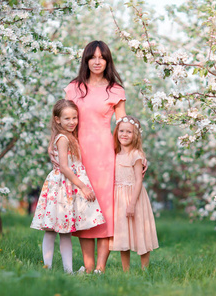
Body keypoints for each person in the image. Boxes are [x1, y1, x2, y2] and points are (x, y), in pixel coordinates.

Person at [64, 40, 126, 273]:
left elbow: (123, 126)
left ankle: (100, 268)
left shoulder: (115, 90)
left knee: (105, 210)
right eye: (93, 57)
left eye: (102, 57)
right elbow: (63, 120)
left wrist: (135, 154)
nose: (97, 61)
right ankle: (88, 266)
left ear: (107, 60)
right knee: (84, 209)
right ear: (86, 60)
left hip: (106, 157)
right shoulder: (74, 88)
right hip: (78, 155)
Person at [30, 99, 105, 273]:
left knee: (65, 232)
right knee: (51, 230)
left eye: (74, 118)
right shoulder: (63, 138)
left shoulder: (70, 136)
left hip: (66, 187)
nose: (72, 122)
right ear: (57, 120)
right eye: (67, 119)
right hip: (61, 187)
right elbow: (64, 167)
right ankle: (47, 267)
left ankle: (68, 271)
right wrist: (83, 187)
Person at [109, 116, 158, 271]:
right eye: (121, 131)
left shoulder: (136, 155)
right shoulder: (115, 154)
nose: (124, 134)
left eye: (129, 132)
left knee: (140, 231)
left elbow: (138, 180)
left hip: (134, 198)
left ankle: (145, 269)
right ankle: (126, 270)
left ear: (135, 134)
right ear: (116, 132)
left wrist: (132, 203)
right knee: (124, 233)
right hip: (119, 199)